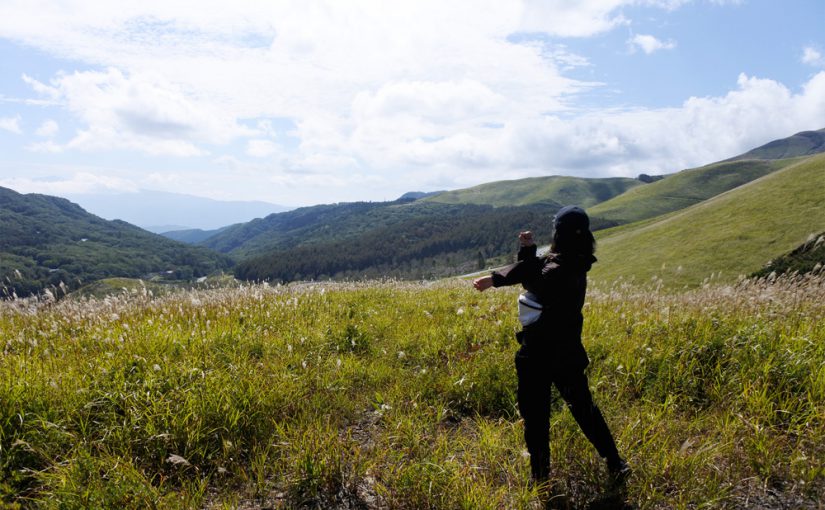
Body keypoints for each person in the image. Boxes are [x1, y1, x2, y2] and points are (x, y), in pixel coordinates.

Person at [473, 205, 628, 485]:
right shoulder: (575, 260)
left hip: (539, 353)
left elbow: (535, 280)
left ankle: (541, 478)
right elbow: (536, 269)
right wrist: (528, 249)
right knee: (584, 408)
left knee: (536, 415)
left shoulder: (560, 268)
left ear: (559, 233)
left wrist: (495, 279)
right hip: (567, 352)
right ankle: (615, 462)